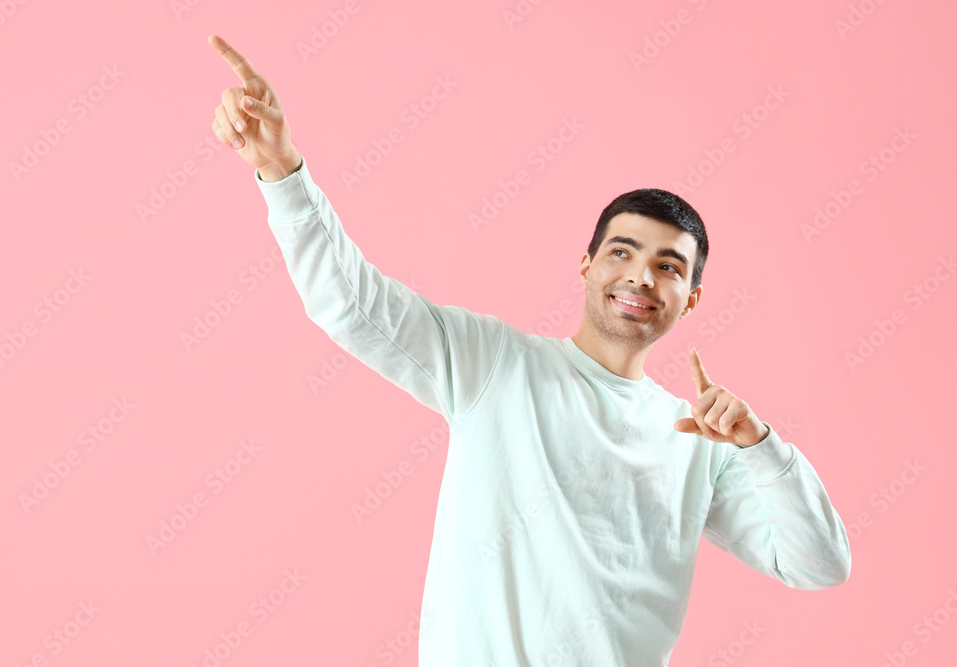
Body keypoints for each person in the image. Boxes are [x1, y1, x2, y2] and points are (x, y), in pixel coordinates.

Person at [207, 33, 851, 666]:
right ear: (586, 266)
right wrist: (282, 171)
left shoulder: (698, 442)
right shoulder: (494, 363)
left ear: (692, 298)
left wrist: (762, 446)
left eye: (669, 267)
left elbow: (818, 565)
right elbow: (352, 305)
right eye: (622, 252)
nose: (641, 277)